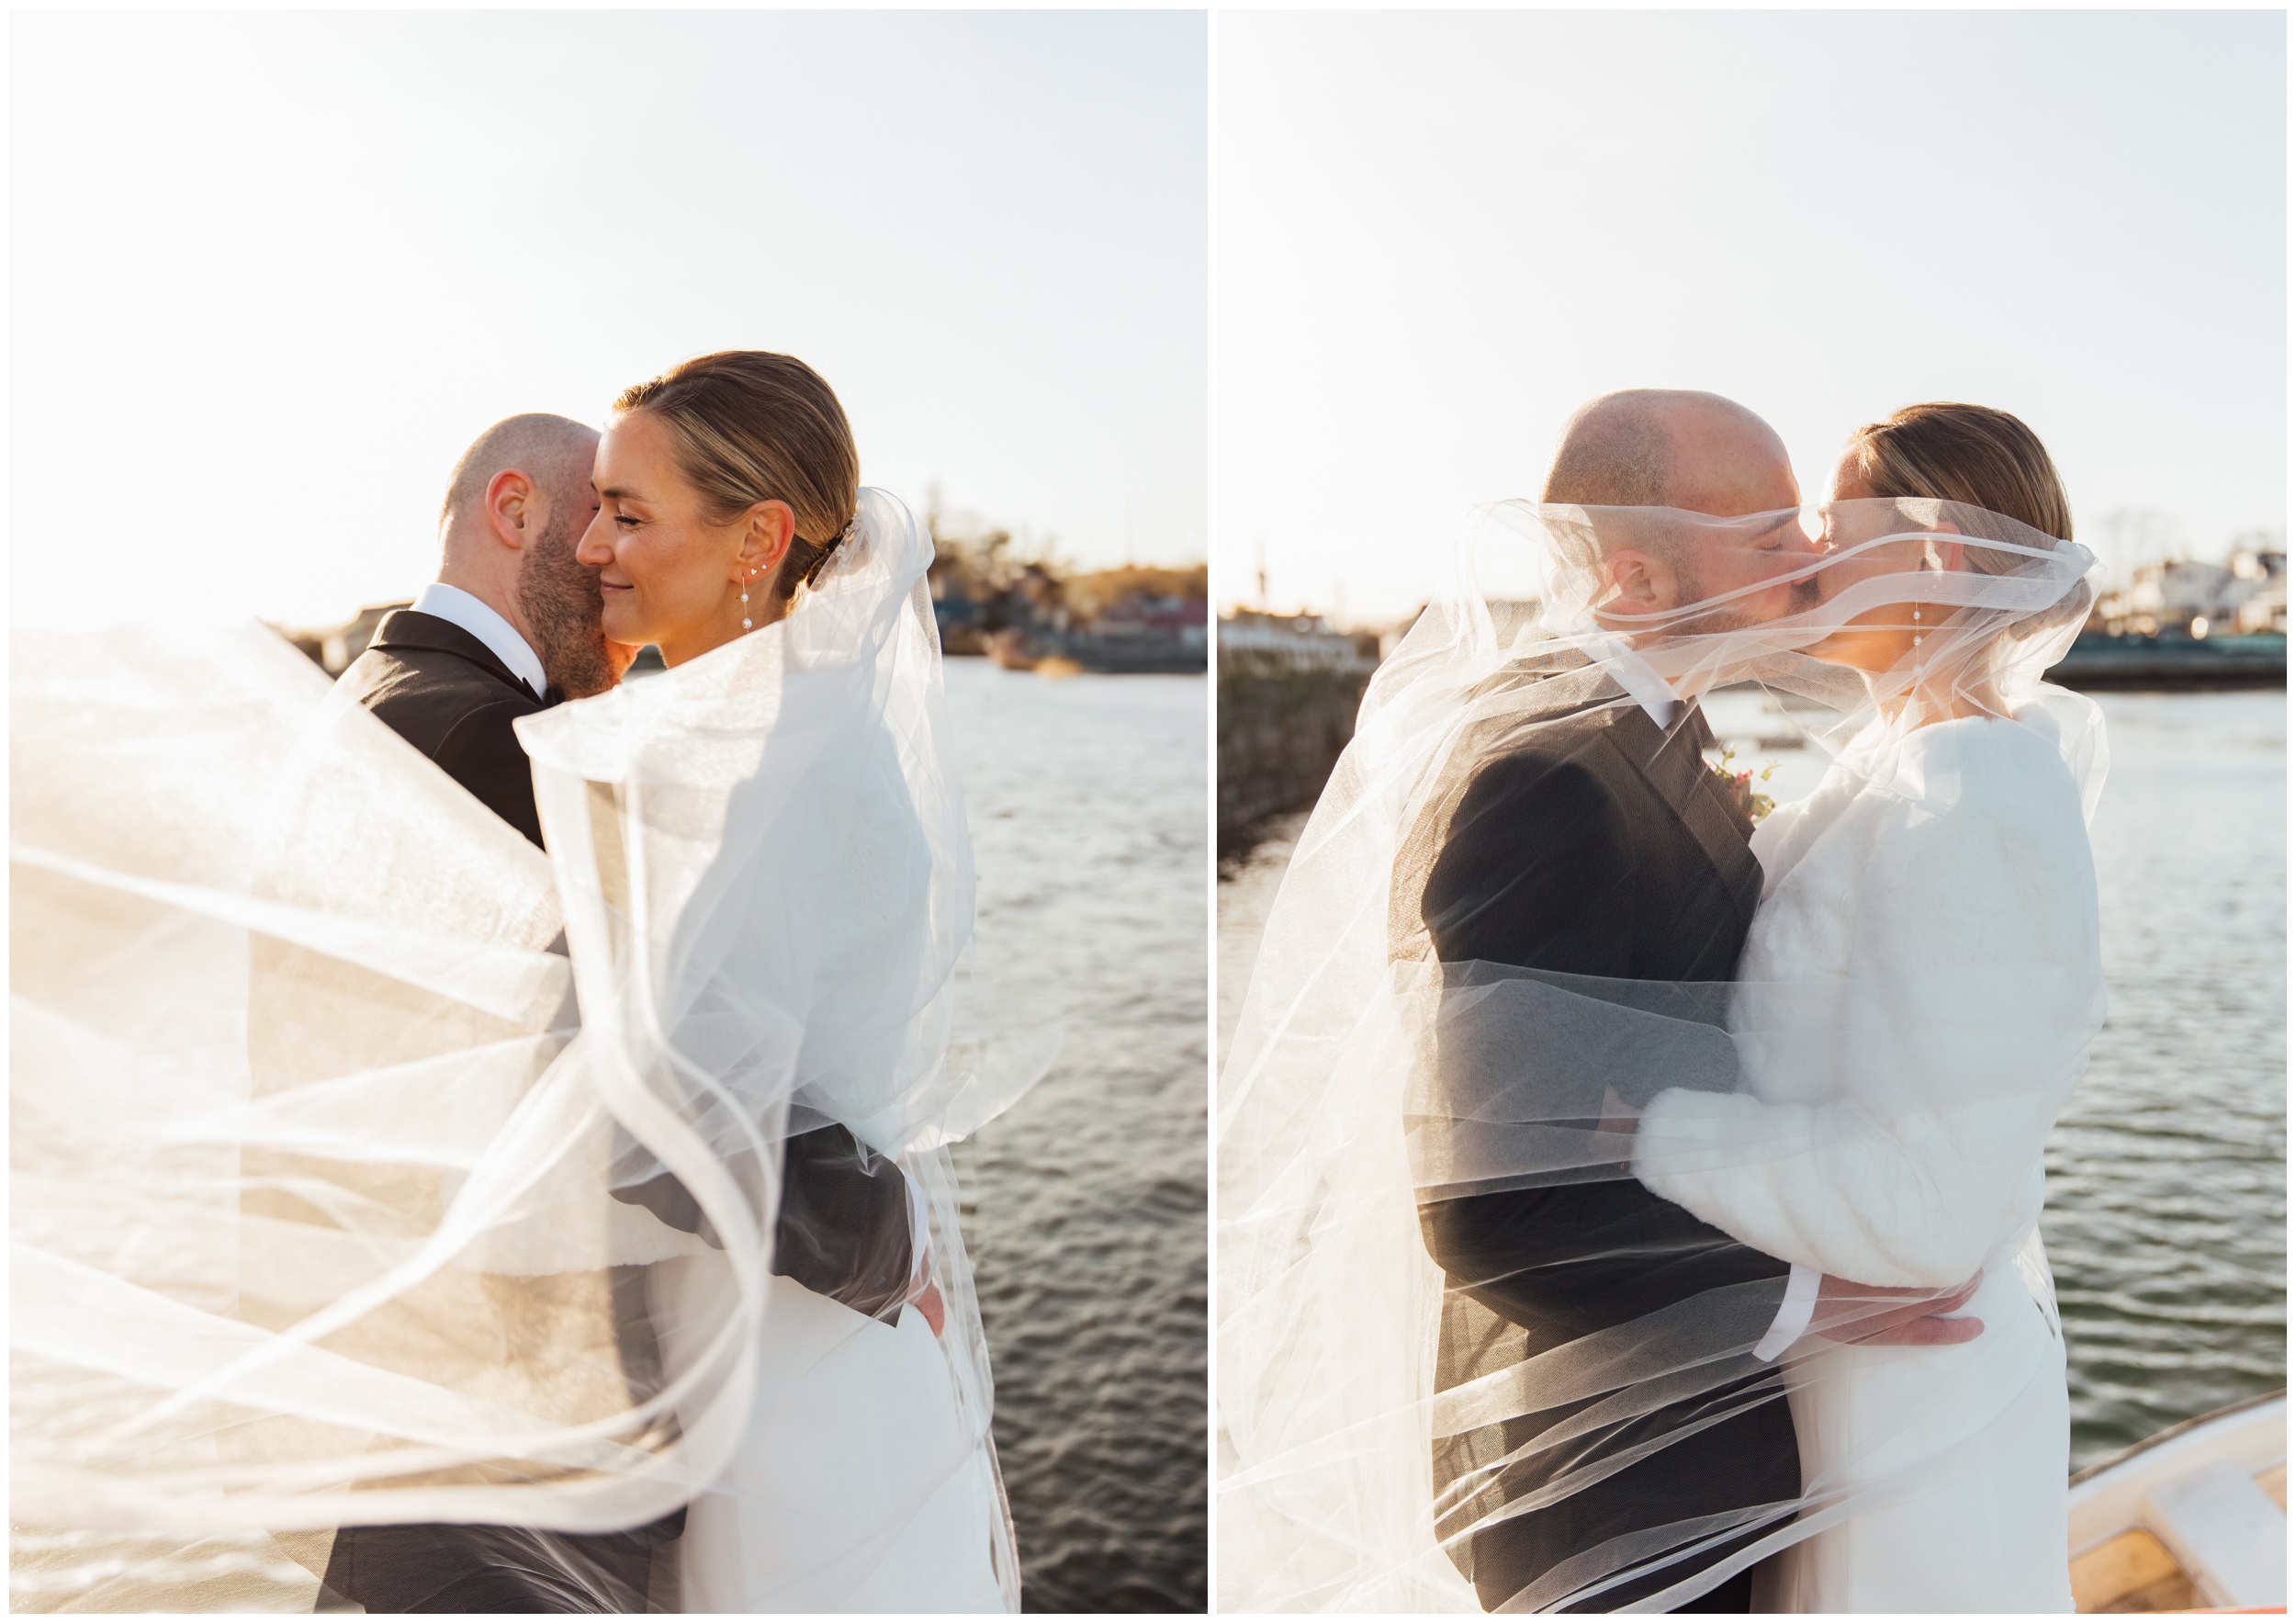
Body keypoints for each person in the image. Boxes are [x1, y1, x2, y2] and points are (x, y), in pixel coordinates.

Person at [12, 352, 1030, 1613]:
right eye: (598, 512)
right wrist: (890, 1236)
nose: (603, 553)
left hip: (529, 1384)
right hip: (494, 1423)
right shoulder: (484, 743)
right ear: (513, 511)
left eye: (630, 516)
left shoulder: (389, 698)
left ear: (757, 541)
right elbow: (643, 1089)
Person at [1217, 391, 2100, 1612]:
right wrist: (1803, 1299)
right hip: (1638, 1466)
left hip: (1879, 1376)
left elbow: (1932, 1162)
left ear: (1937, 557)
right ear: (1636, 571)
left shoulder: (1932, 788)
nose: (1807, 557)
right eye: (1774, 531)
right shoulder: (1555, 773)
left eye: (1822, 525)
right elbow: (1492, 1198)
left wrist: (1671, 1133)